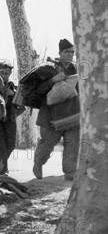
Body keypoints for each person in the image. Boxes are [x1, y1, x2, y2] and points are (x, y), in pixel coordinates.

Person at [33, 39, 80, 180]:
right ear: (59, 52)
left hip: (72, 115)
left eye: (72, 52)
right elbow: (38, 90)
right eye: (66, 52)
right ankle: (38, 163)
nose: (70, 54)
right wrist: (53, 80)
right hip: (50, 116)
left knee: (73, 144)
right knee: (47, 144)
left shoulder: (77, 69)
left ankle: (70, 172)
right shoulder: (48, 68)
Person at [0, 62, 25, 174]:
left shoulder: (12, 86)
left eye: (7, 73)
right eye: (2, 73)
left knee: (11, 145)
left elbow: (22, 105)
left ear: (10, 74)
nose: (4, 75)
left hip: (9, 121)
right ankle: (3, 171)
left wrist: (13, 94)